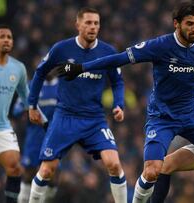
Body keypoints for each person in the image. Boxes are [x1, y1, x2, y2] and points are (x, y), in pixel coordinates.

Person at [56, 2, 194, 203]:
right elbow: (119, 59)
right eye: (190, 23)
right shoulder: (159, 46)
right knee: (152, 171)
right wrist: (82, 68)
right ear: (176, 23)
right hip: (162, 117)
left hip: (192, 115)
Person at [27, 7, 127, 203]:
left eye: (96, 23)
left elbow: (117, 81)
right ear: (78, 25)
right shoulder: (62, 49)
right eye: (88, 23)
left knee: (114, 165)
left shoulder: (108, 52)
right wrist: (32, 105)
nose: (93, 27)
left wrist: (119, 104)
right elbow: (39, 73)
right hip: (65, 117)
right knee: (47, 170)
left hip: (95, 119)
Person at [0, 24, 34, 203]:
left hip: (1, 125)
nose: (6, 40)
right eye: (2, 36)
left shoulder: (18, 68)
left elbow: (26, 96)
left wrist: (35, 112)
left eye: (9, 37)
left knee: (15, 168)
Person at [13, 74, 58, 203]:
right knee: (28, 174)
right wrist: (26, 109)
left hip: (54, 138)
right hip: (34, 137)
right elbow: (17, 110)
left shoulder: (63, 86)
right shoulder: (31, 85)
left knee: (53, 178)